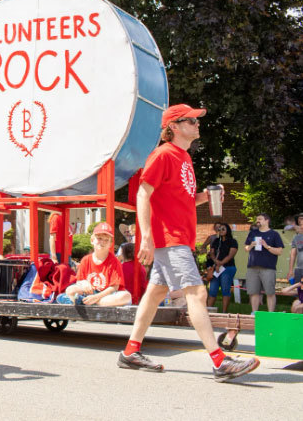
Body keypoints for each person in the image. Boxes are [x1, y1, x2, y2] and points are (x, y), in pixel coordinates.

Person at [117, 103, 258, 381]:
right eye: (191, 121)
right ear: (174, 127)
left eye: (196, 120)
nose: (197, 124)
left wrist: (204, 197)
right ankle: (219, 361)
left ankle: (130, 352)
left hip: (178, 238)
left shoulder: (184, 158)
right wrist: (146, 237)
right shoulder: (163, 155)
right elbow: (143, 194)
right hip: (170, 239)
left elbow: (181, 199)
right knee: (197, 293)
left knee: (155, 294)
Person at [60, 222, 131, 306]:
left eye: (106, 240)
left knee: (126, 296)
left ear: (110, 244)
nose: (102, 242)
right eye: (99, 238)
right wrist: (84, 283)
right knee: (70, 290)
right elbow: (79, 280)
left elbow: (114, 287)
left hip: (106, 296)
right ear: (92, 240)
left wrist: (96, 297)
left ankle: (86, 302)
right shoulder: (86, 260)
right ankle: (83, 300)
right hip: (88, 293)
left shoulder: (115, 262)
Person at [243, 213, 284, 312]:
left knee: (270, 292)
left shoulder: (274, 234)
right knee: (254, 292)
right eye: (257, 219)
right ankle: (254, 313)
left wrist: (267, 246)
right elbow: (246, 248)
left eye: (260, 219)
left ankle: (270, 314)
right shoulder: (253, 233)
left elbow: (279, 251)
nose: (257, 221)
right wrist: (251, 245)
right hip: (252, 267)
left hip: (268, 268)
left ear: (267, 221)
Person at [206, 222, 238, 312]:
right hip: (216, 268)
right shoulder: (216, 241)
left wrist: (220, 263)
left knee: (225, 289)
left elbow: (230, 255)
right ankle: (209, 311)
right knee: (212, 289)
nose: (221, 231)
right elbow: (212, 252)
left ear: (228, 230)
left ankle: (224, 312)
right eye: (219, 229)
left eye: (223, 229)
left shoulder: (232, 241)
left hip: (228, 267)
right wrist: (216, 262)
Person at [289, 214, 303, 283]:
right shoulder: (296, 237)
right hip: (299, 270)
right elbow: (293, 255)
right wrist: (291, 271)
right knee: (299, 292)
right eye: (300, 219)